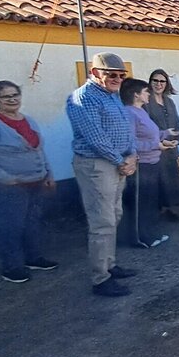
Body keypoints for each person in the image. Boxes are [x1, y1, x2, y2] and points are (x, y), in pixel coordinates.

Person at [66, 52, 138, 297]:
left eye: (121, 75)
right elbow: (96, 137)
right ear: (94, 72)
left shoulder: (113, 96)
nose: (117, 79)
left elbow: (126, 130)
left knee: (114, 215)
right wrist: (121, 161)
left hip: (118, 163)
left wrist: (132, 155)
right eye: (111, 74)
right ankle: (100, 279)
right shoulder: (82, 98)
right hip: (97, 165)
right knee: (102, 221)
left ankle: (110, 264)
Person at [0, 80, 57, 283]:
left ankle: (33, 258)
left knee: (32, 223)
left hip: (35, 182)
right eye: (6, 96)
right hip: (9, 187)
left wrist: (48, 174)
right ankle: (11, 267)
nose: (12, 99)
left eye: (15, 94)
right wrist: (5, 178)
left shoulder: (28, 120)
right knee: (12, 226)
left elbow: (39, 149)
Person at [121, 78, 173, 249]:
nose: (148, 94)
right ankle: (140, 237)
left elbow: (151, 134)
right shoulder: (129, 113)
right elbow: (129, 143)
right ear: (136, 95)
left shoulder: (141, 111)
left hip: (153, 162)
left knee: (151, 202)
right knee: (140, 203)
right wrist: (155, 145)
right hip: (141, 165)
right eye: (145, 91)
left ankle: (151, 233)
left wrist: (165, 136)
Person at [142, 69, 179, 219]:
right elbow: (144, 126)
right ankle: (158, 211)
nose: (158, 84)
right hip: (155, 148)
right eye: (155, 81)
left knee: (173, 178)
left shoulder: (169, 102)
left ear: (166, 83)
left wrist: (176, 139)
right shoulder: (146, 102)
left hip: (171, 148)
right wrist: (161, 140)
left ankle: (172, 209)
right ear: (150, 82)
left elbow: (177, 122)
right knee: (159, 180)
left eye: (162, 81)